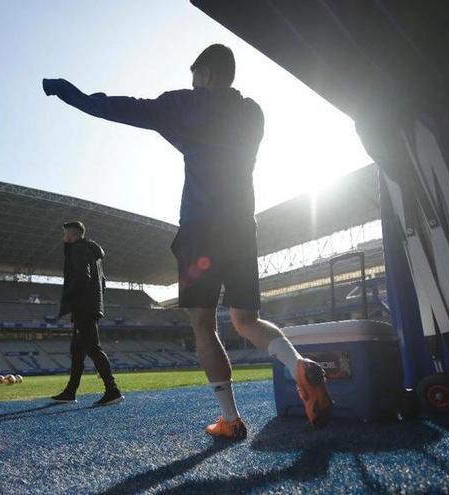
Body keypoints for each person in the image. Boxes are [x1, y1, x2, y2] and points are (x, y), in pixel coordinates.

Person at [43, 44, 332, 438]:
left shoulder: (184, 106)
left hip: (201, 228)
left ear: (207, 75)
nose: (191, 82)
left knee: (202, 323)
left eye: (194, 75)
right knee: (246, 320)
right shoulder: (253, 113)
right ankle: (297, 363)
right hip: (242, 227)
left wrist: (68, 93)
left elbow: (121, 107)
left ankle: (230, 419)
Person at [50, 221, 123, 406]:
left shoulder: (77, 249)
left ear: (71, 235)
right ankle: (70, 391)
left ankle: (112, 390)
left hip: (83, 307)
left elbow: (83, 276)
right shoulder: (93, 252)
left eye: (65, 234)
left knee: (92, 348)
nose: (63, 237)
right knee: (77, 351)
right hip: (90, 305)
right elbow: (103, 282)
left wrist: (69, 296)